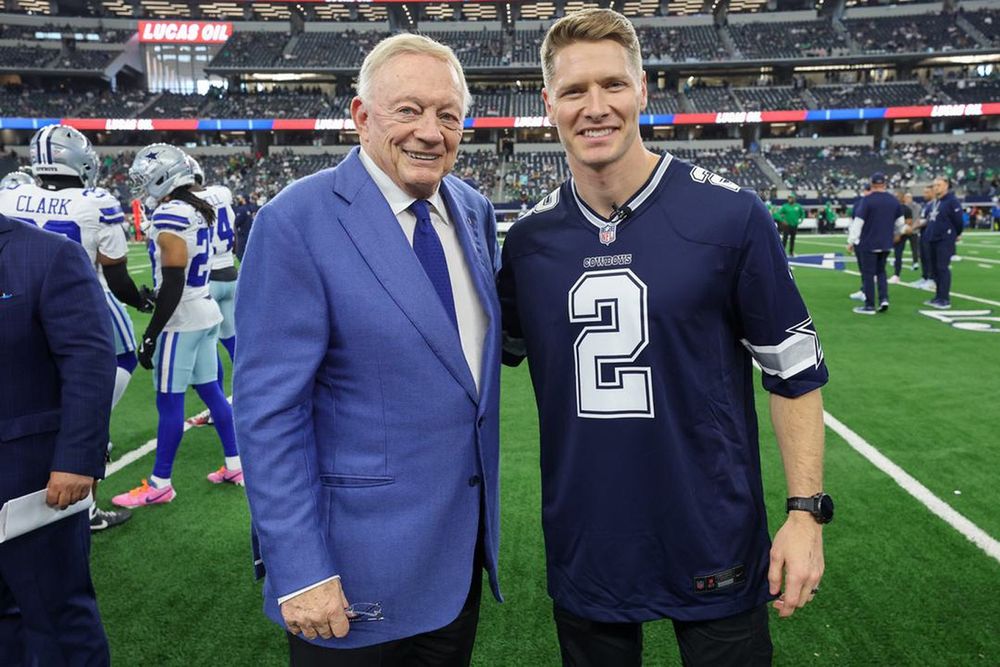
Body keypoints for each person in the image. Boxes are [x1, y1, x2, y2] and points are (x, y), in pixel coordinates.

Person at [497, 10, 830, 666]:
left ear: (643, 89)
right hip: (588, 540)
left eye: (612, 85)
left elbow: (794, 370)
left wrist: (805, 511)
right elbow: (473, 370)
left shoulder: (731, 216)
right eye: (573, 91)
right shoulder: (529, 242)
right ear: (547, 104)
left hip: (712, 532)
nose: (595, 107)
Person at [233, 33, 503, 664]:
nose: (430, 132)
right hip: (350, 576)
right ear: (361, 115)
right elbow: (270, 414)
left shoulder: (471, 209)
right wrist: (299, 568)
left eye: (448, 115)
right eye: (407, 110)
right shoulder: (295, 220)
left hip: (456, 564)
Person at [0, 124, 148, 533]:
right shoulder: (95, 200)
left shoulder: (8, 193)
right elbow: (116, 277)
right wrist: (141, 301)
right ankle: (87, 499)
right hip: (80, 307)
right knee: (96, 389)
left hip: (17, 312)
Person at [0, 213, 115, 665]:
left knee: (57, 615)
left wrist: (78, 459)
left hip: (28, 478)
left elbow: (89, 359)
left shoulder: (47, 254)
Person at [111, 144, 241, 507]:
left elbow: (174, 281)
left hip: (182, 318)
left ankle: (160, 483)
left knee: (169, 403)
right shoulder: (196, 206)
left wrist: (151, 333)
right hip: (205, 309)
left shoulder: (171, 213)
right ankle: (236, 463)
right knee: (212, 392)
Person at [184, 155, 238, 430]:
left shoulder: (185, 204)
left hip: (209, 280)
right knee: (233, 343)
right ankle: (248, 397)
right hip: (230, 273)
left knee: (208, 347)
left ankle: (217, 407)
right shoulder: (222, 194)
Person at [847, 172, 905, 315]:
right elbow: (901, 224)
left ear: (872, 184)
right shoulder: (893, 200)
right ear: (884, 184)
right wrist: (895, 234)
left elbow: (858, 223)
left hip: (869, 242)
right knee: (881, 272)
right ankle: (884, 298)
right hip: (886, 242)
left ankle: (870, 305)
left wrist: (851, 241)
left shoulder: (867, 200)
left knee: (868, 274)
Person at [923, 176, 964, 309]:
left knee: (942, 268)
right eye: (934, 185)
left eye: (939, 185)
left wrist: (955, 234)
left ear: (946, 186)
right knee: (934, 269)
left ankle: (944, 298)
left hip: (944, 239)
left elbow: (958, 221)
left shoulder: (952, 201)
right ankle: (938, 296)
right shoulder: (936, 202)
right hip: (933, 238)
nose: (936, 187)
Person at [889, 191, 919, 284]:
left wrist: (898, 234)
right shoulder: (891, 208)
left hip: (902, 233)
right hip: (894, 233)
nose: (896, 198)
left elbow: (908, 222)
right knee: (894, 254)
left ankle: (897, 275)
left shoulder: (906, 209)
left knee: (899, 254)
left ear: (902, 198)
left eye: (898, 196)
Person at [913, 184, 936, 290]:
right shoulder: (926, 204)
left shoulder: (935, 204)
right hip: (923, 233)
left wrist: (914, 226)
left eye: (927, 192)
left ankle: (932, 279)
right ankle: (925, 276)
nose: (924, 194)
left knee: (929, 257)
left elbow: (927, 220)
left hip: (929, 234)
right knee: (923, 256)